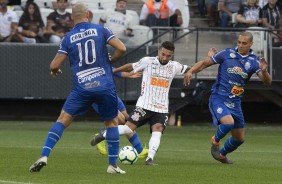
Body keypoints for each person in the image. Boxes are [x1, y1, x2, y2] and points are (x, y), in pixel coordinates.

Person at [29, 2, 127, 174]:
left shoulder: (68, 38)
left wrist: (55, 70)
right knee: (112, 123)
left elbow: (54, 64)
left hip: (82, 88)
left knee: (62, 120)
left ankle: (44, 155)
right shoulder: (101, 30)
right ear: (88, 14)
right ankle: (112, 165)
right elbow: (122, 48)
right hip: (104, 85)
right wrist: (110, 62)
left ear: (72, 18)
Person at [91, 41, 189, 165]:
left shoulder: (175, 66)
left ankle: (150, 159)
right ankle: (103, 135)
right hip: (144, 105)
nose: (165, 58)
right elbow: (130, 66)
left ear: (172, 55)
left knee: (157, 130)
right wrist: (114, 71)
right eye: (163, 54)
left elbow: (192, 68)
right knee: (128, 128)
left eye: (168, 56)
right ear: (159, 50)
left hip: (162, 108)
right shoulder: (148, 61)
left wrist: (192, 70)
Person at [183, 31, 272, 164]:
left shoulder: (254, 62)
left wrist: (264, 72)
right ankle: (215, 140)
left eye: (244, 43)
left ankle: (222, 155)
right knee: (228, 123)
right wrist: (190, 71)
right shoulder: (227, 54)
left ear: (251, 44)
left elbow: (267, 82)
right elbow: (204, 63)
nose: (240, 45)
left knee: (239, 139)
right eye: (239, 42)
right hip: (218, 98)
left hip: (235, 102)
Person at [91, 68, 148, 159]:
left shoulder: (105, 62)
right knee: (121, 120)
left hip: (112, 94)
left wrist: (129, 74)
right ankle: (102, 136)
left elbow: (116, 71)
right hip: (99, 97)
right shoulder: (91, 66)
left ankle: (139, 150)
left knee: (127, 120)